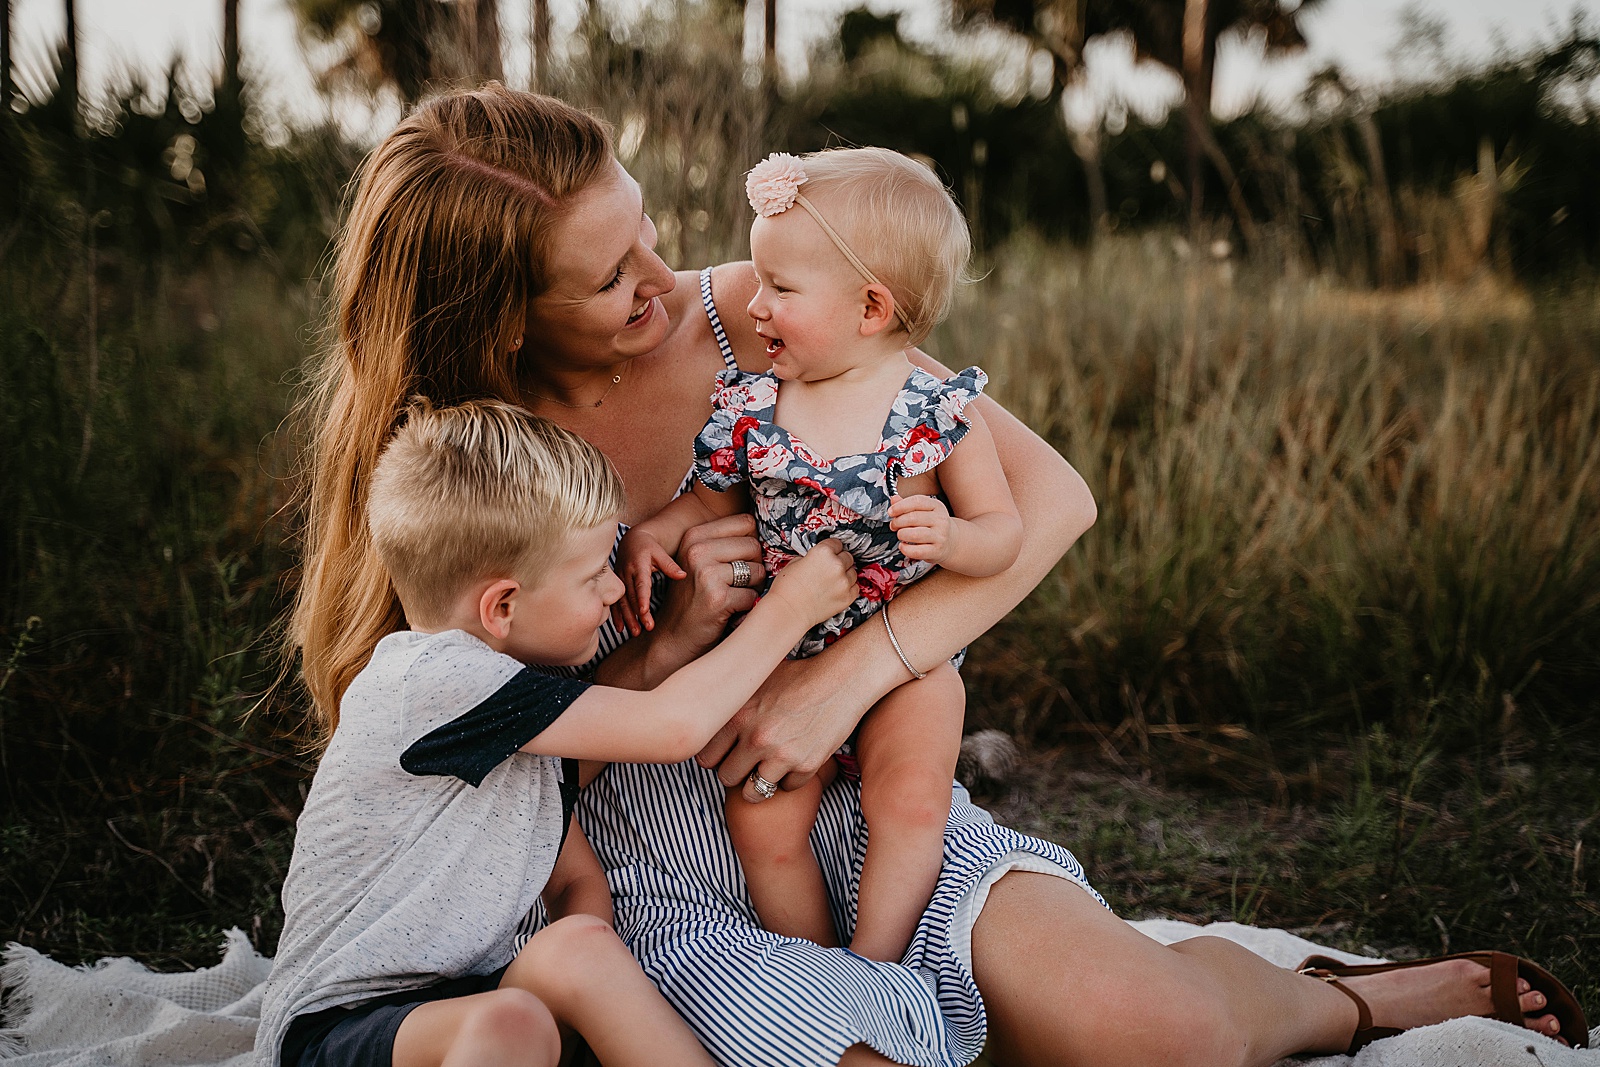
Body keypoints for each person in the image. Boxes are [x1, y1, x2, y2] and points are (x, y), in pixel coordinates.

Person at [288, 83, 1585, 1067]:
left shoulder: (768, 310)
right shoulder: (463, 471)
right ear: (505, 323)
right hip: (644, 853)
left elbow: (1054, 502)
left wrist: (835, 686)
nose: (662, 281)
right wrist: (666, 639)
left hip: (864, 764)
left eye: (642, 233)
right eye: (612, 277)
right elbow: (469, 733)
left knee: (1150, 1027)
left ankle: (1350, 992)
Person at [259, 398, 857, 1067]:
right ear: (503, 605)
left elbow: (575, 882)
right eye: (593, 572)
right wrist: (792, 607)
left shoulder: (512, 722)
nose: (610, 591)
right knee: (513, 1021)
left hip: (472, 1007)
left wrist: (593, 978)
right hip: (336, 1033)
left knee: (569, 954)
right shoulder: (431, 679)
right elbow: (671, 726)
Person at [616, 147, 1020, 962]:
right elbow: (711, 500)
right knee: (761, 818)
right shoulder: (754, 408)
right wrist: (656, 533)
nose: (754, 305)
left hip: (906, 665)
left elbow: (1004, 534)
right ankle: (815, 965)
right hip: (776, 660)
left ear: (871, 306)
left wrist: (955, 538)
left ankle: (880, 964)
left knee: (910, 800)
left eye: (780, 289)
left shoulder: (934, 416)